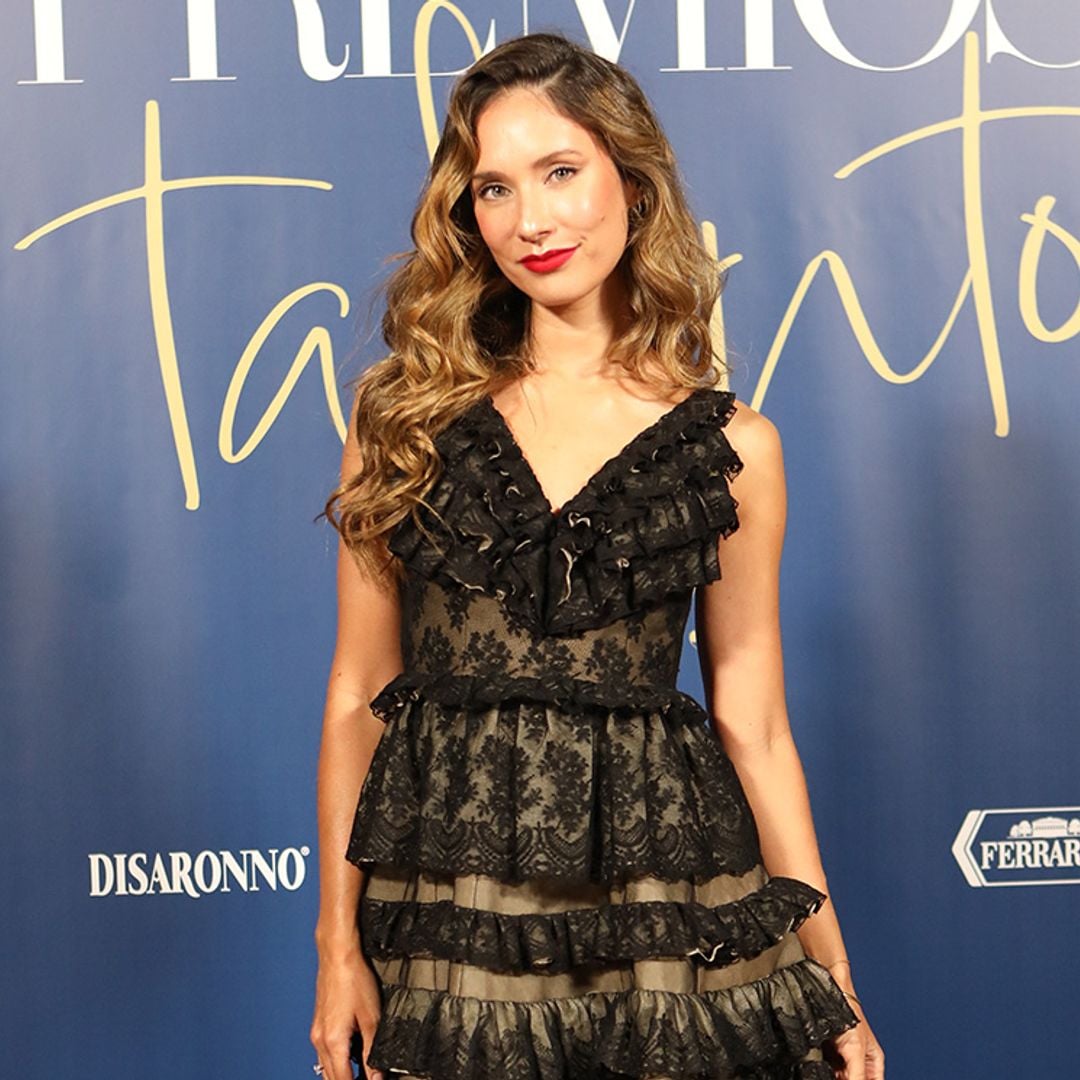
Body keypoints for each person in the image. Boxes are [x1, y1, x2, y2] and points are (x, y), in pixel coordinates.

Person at [310, 30, 885, 1080]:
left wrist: (831, 969)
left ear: (632, 180)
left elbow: (754, 725)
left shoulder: (735, 450)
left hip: (663, 922)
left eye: (561, 171)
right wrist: (336, 949)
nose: (529, 220)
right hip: (453, 935)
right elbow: (358, 694)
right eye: (494, 188)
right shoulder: (402, 419)